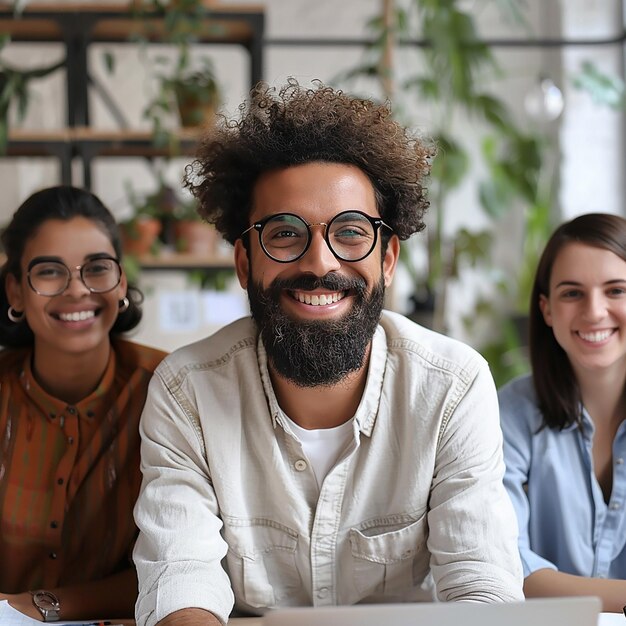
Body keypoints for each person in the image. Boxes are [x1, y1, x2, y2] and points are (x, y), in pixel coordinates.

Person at [133, 79, 523, 626]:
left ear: (388, 258)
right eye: (286, 234)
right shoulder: (188, 391)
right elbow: (181, 577)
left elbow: (483, 586)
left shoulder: (452, 386)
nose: (321, 263)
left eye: (351, 232)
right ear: (244, 261)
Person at [0, 186, 167, 621]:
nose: (77, 290)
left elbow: (182, 562)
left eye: (96, 268)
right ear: (16, 292)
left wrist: (39, 607)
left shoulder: (171, 391)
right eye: (49, 271)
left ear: (122, 282)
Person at [499, 212, 626, 612]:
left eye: (616, 290)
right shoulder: (508, 414)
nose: (594, 312)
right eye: (572, 293)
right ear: (547, 308)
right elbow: (505, 562)